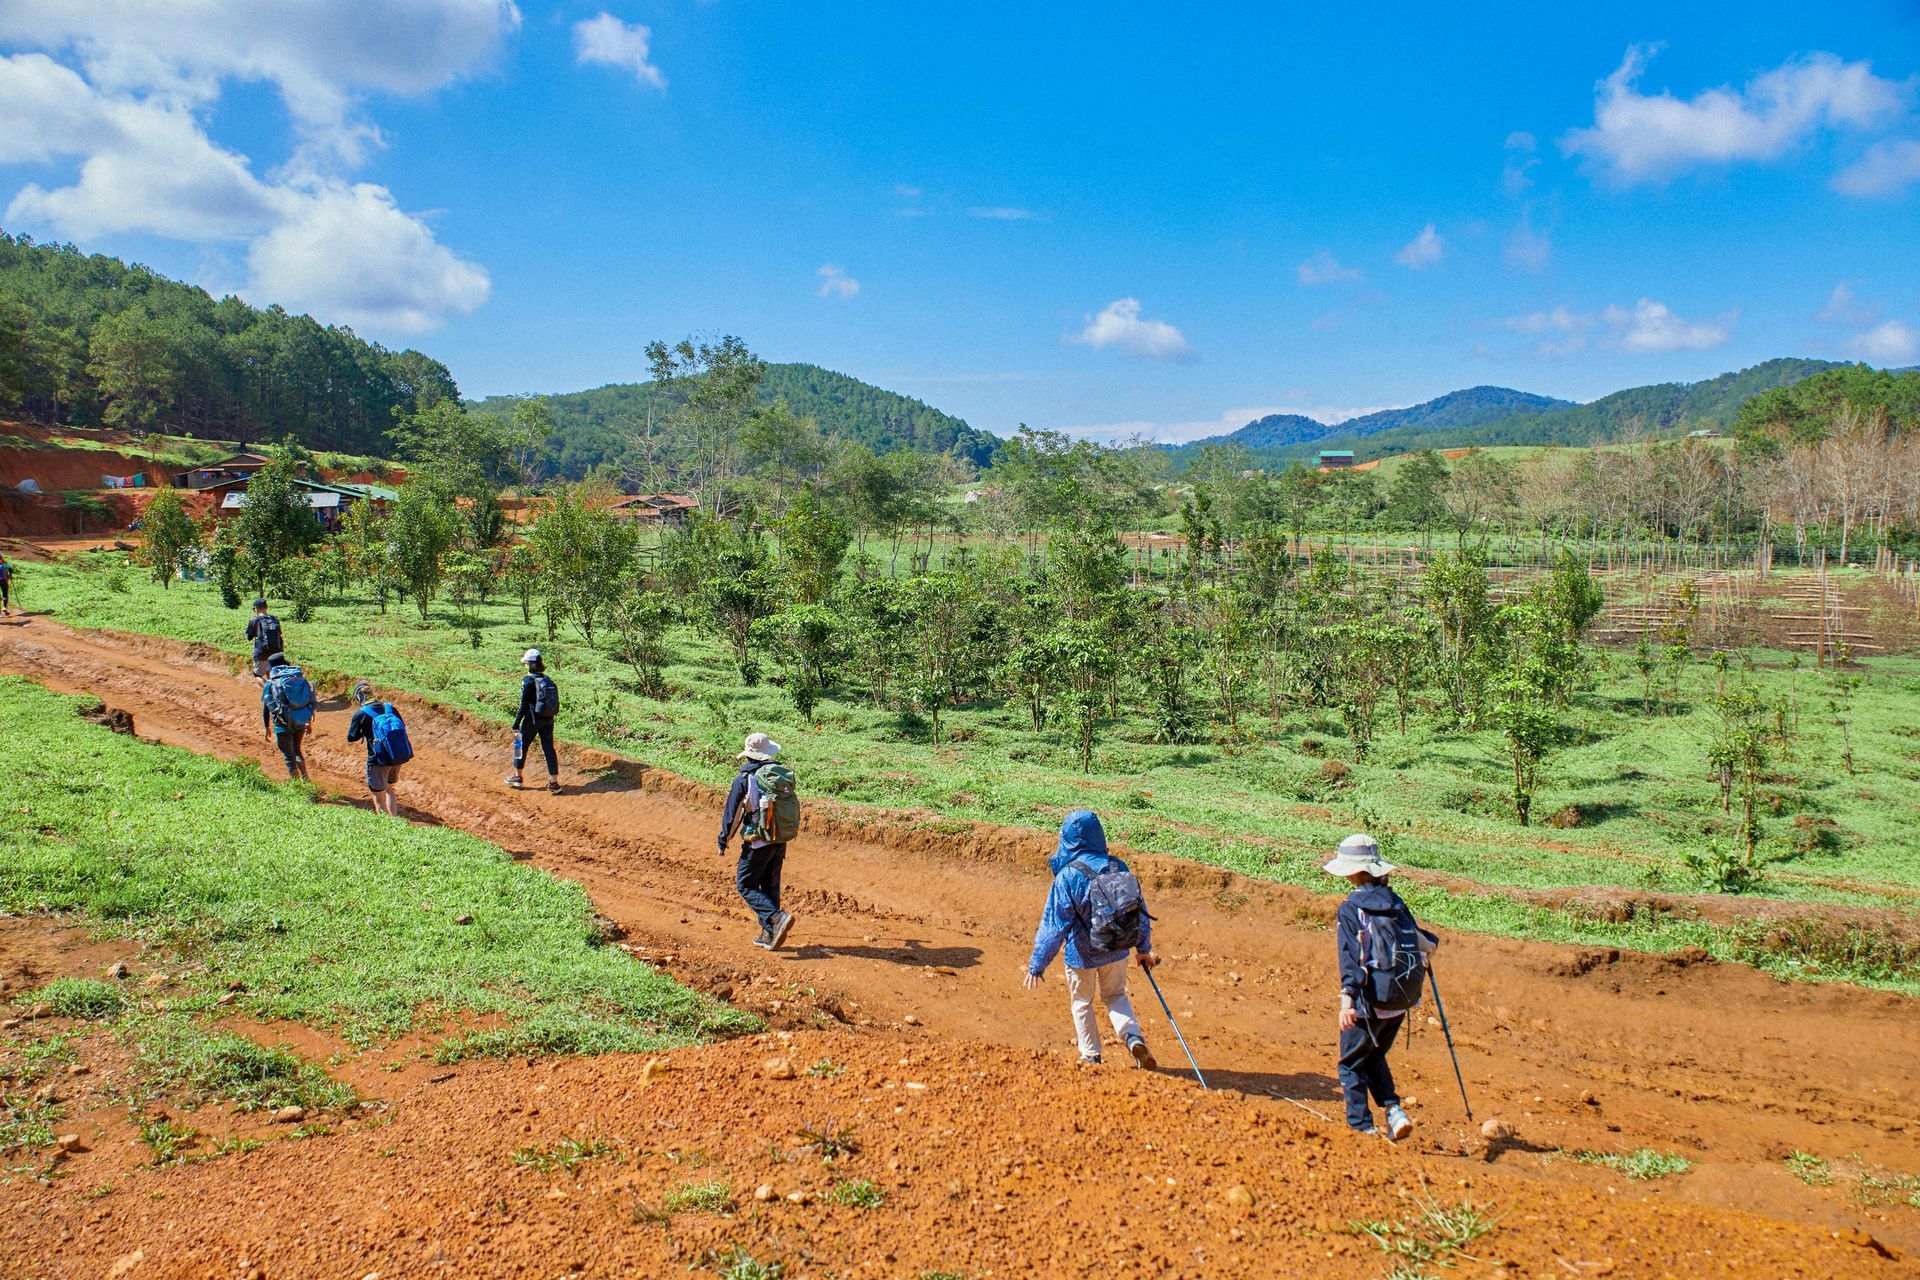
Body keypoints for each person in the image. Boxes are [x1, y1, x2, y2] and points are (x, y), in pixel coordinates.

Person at [1023, 810, 1158, 1068]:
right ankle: (1132, 1037)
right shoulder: (1119, 866)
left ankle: (1091, 1054)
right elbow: (1138, 911)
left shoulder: (1068, 876)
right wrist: (1143, 949)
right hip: (1117, 950)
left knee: (1082, 1003)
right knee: (1116, 996)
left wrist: (1037, 964)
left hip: (1082, 956)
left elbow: (1054, 926)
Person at [1328, 833, 1439, 1141]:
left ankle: (1361, 1127)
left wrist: (1347, 1001)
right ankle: (1393, 1111)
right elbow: (1426, 942)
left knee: (1351, 1064)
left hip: (1369, 999)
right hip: (1401, 999)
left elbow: (1350, 958)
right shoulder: (1396, 903)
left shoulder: (1351, 909)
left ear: (1350, 872)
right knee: (1374, 1055)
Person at [718, 732, 796, 950]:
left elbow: (732, 815)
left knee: (745, 884)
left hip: (757, 841)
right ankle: (769, 933)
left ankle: (775, 917)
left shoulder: (744, 779)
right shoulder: (779, 776)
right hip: (779, 838)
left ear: (748, 756)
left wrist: (724, 840)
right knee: (770, 884)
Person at [346, 681, 412, 817]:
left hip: (377, 760)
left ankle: (386, 828)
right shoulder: (389, 707)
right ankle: (393, 820)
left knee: (378, 797)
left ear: (358, 697)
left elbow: (351, 737)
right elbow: (402, 726)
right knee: (389, 789)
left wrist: (365, 731)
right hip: (396, 756)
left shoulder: (361, 714)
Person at [506, 648, 561, 792]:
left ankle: (517, 777)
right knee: (549, 749)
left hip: (532, 720)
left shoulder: (528, 680)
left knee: (520, 746)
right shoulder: (547, 679)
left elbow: (523, 704)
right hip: (548, 719)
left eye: (526, 664)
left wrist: (516, 722)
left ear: (530, 664)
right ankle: (554, 782)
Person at [259, 652, 313, 782]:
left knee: (289, 756)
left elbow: (266, 707)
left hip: (282, 725)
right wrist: (308, 722)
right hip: (300, 722)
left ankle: (297, 785)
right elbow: (307, 700)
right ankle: (306, 780)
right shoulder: (298, 679)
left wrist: (267, 727)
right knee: (297, 751)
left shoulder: (271, 683)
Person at [244, 599, 283, 680]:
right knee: (271, 673)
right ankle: (274, 691)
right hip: (276, 652)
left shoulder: (254, 620)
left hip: (261, 652)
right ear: (266, 607)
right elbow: (280, 634)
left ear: (256, 608)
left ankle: (268, 690)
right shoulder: (275, 619)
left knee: (257, 675)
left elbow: (249, 637)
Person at [0, 551, 13, 616]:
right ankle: (4, 607)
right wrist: (10, 575)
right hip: (3, 580)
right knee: (5, 593)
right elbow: (10, 569)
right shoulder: (4, 562)